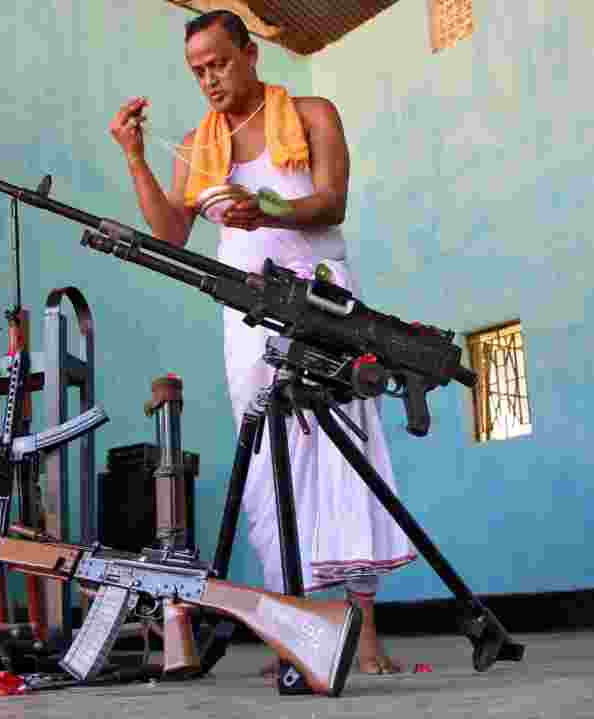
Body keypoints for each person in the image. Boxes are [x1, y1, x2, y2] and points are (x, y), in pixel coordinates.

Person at [108, 10, 417, 675]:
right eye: (197, 71)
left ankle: (363, 633)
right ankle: (292, 626)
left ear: (250, 53)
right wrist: (134, 156)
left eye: (218, 63)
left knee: (346, 455)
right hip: (247, 319)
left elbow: (331, 202)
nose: (209, 79)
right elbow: (170, 234)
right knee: (267, 461)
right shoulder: (199, 141)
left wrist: (268, 207)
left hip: (325, 303)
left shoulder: (311, 112)